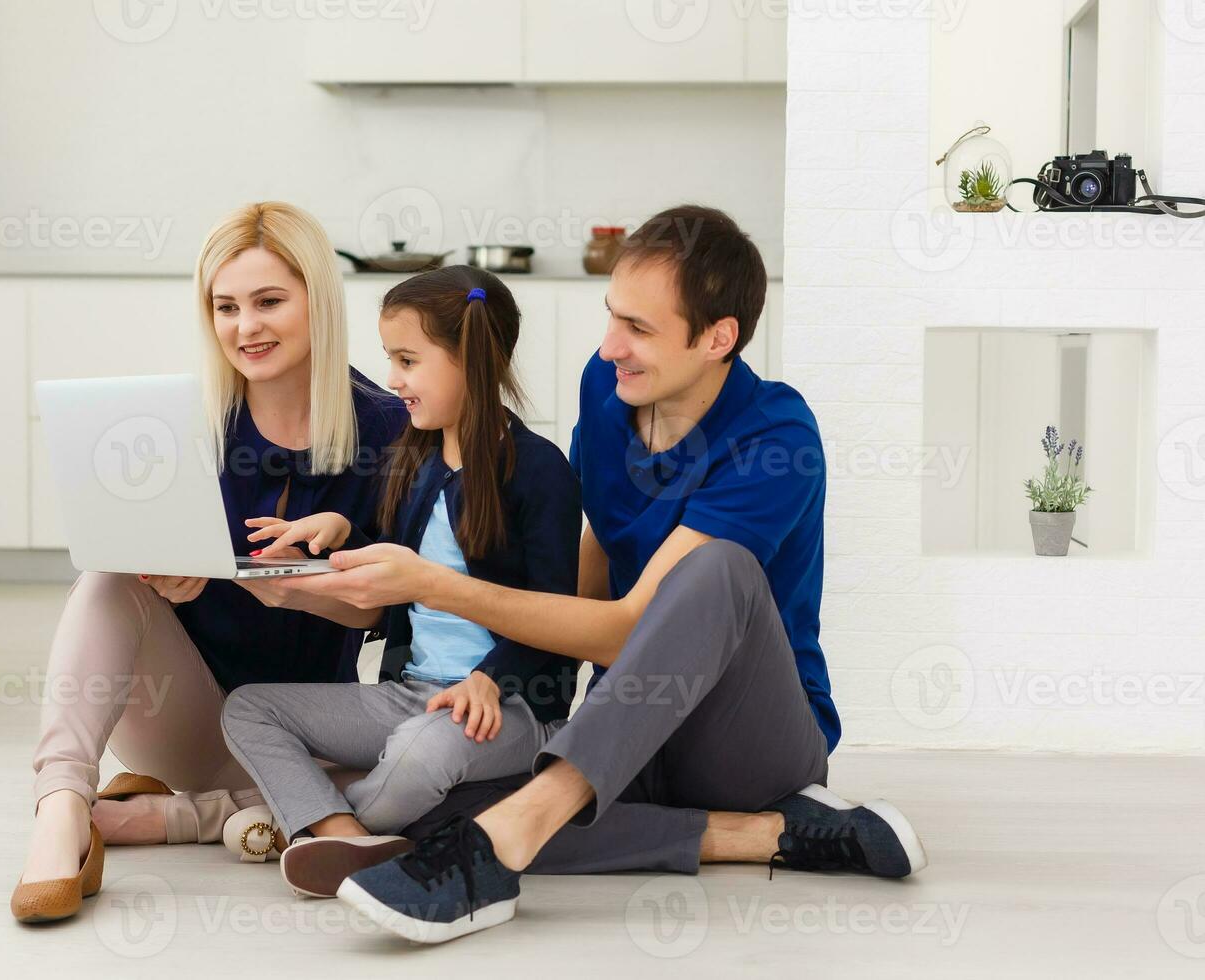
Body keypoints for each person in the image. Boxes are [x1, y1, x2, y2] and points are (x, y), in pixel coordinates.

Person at [276, 205, 928, 944]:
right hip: (636, 729)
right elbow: (587, 558)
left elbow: (625, 630)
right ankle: (761, 835)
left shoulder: (776, 437)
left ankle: (511, 839)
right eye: (612, 316)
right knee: (435, 801)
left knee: (719, 568)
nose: (612, 346)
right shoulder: (610, 386)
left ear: (720, 338)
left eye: (641, 330)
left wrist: (429, 582)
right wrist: (512, 678)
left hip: (748, 739)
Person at [10, 201, 406, 923]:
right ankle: (63, 808)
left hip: (303, 729)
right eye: (225, 307)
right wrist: (163, 576)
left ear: (317, 300)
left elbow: (387, 607)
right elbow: (129, 566)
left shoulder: (388, 428)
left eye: (268, 302)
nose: (244, 327)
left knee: (426, 781)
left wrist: (290, 588)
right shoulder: (184, 423)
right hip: (184, 718)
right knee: (103, 577)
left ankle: (173, 817)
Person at [221, 265, 583, 899]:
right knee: (249, 707)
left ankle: (299, 821)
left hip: (511, 708)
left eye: (408, 361)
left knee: (419, 754)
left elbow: (557, 618)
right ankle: (344, 834)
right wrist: (337, 529)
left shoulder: (538, 471)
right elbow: (396, 575)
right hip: (411, 694)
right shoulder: (411, 458)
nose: (393, 380)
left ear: (470, 359)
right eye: (391, 359)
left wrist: (492, 679)